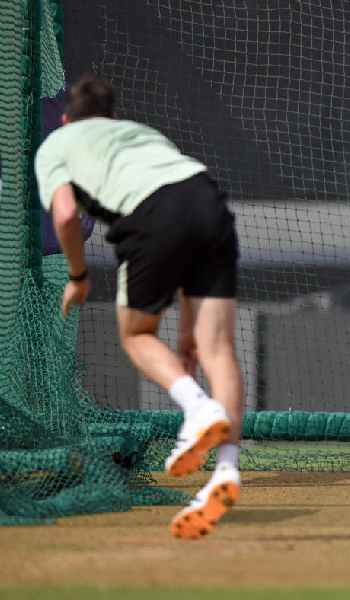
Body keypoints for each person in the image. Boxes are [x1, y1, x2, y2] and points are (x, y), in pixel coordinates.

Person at [34, 74, 242, 539]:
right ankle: (227, 470)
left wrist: (79, 276)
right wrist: (188, 331)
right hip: (208, 200)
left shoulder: (57, 143)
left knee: (136, 335)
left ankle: (196, 406)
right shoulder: (143, 136)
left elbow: (66, 216)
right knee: (218, 349)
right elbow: (186, 206)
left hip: (150, 214)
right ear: (112, 117)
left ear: (66, 120)